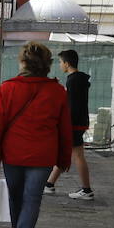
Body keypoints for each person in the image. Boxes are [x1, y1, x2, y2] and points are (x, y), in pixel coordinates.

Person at [0, 42, 72, 228]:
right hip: (43, 156)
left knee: (16, 198)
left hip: (13, 153)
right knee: (32, 199)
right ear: (48, 64)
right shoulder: (57, 92)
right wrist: (64, 158)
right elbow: (64, 128)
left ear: (23, 62)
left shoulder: (7, 89)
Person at [45, 49, 94, 199]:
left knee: (77, 155)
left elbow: (72, 106)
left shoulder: (73, 80)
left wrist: (65, 123)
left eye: (60, 62)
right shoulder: (78, 79)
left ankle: (86, 190)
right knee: (66, 153)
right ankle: (49, 184)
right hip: (78, 122)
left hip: (74, 124)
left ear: (67, 63)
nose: (60, 65)